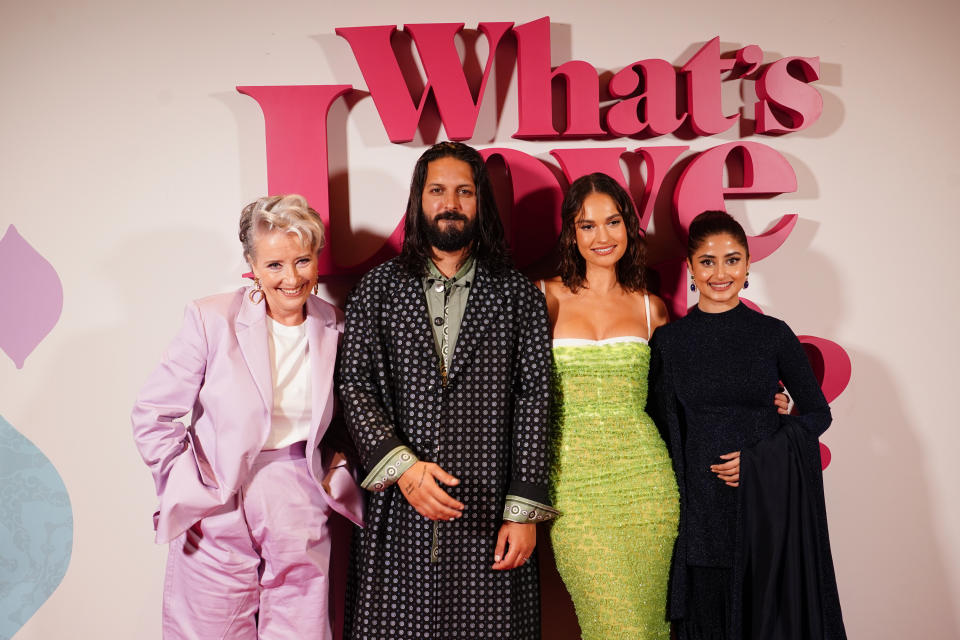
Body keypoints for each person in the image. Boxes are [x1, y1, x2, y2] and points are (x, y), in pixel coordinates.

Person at [337, 141, 557, 640]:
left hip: (488, 511)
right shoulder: (379, 289)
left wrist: (523, 511)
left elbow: (535, 399)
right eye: (437, 190)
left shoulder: (517, 294)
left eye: (464, 191)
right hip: (398, 510)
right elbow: (354, 383)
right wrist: (405, 468)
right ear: (419, 200)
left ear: (481, 202)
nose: (450, 203)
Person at [131, 194, 363, 639]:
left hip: (298, 491)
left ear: (316, 259)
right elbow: (153, 413)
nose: (291, 278)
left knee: (300, 628)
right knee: (207, 628)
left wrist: (335, 473)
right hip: (217, 492)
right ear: (252, 266)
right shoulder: (211, 318)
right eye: (274, 265)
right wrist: (186, 491)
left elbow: (352, 416)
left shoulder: (337, 325)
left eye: (302, 260)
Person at [647, 210, 846, 640]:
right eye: (708, 261)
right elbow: (658, 426)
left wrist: (760, 461)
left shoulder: (772, 335)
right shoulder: (669, 342)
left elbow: (817, 413)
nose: (721, 273)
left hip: (764, 514)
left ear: (748, 265)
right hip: (700, 517)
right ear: (690, 268)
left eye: (733, 260)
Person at [539, 172, 679, 639]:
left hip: (647, 485)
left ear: (628, 227)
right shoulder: (543, 296)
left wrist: (769, 402)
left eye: (613, 222)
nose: (602, 236)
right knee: (613, 624)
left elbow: (681, 396)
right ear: (570, 233)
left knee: (651, 627)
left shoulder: (650, 308)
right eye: (587, 225)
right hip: (572, 487)